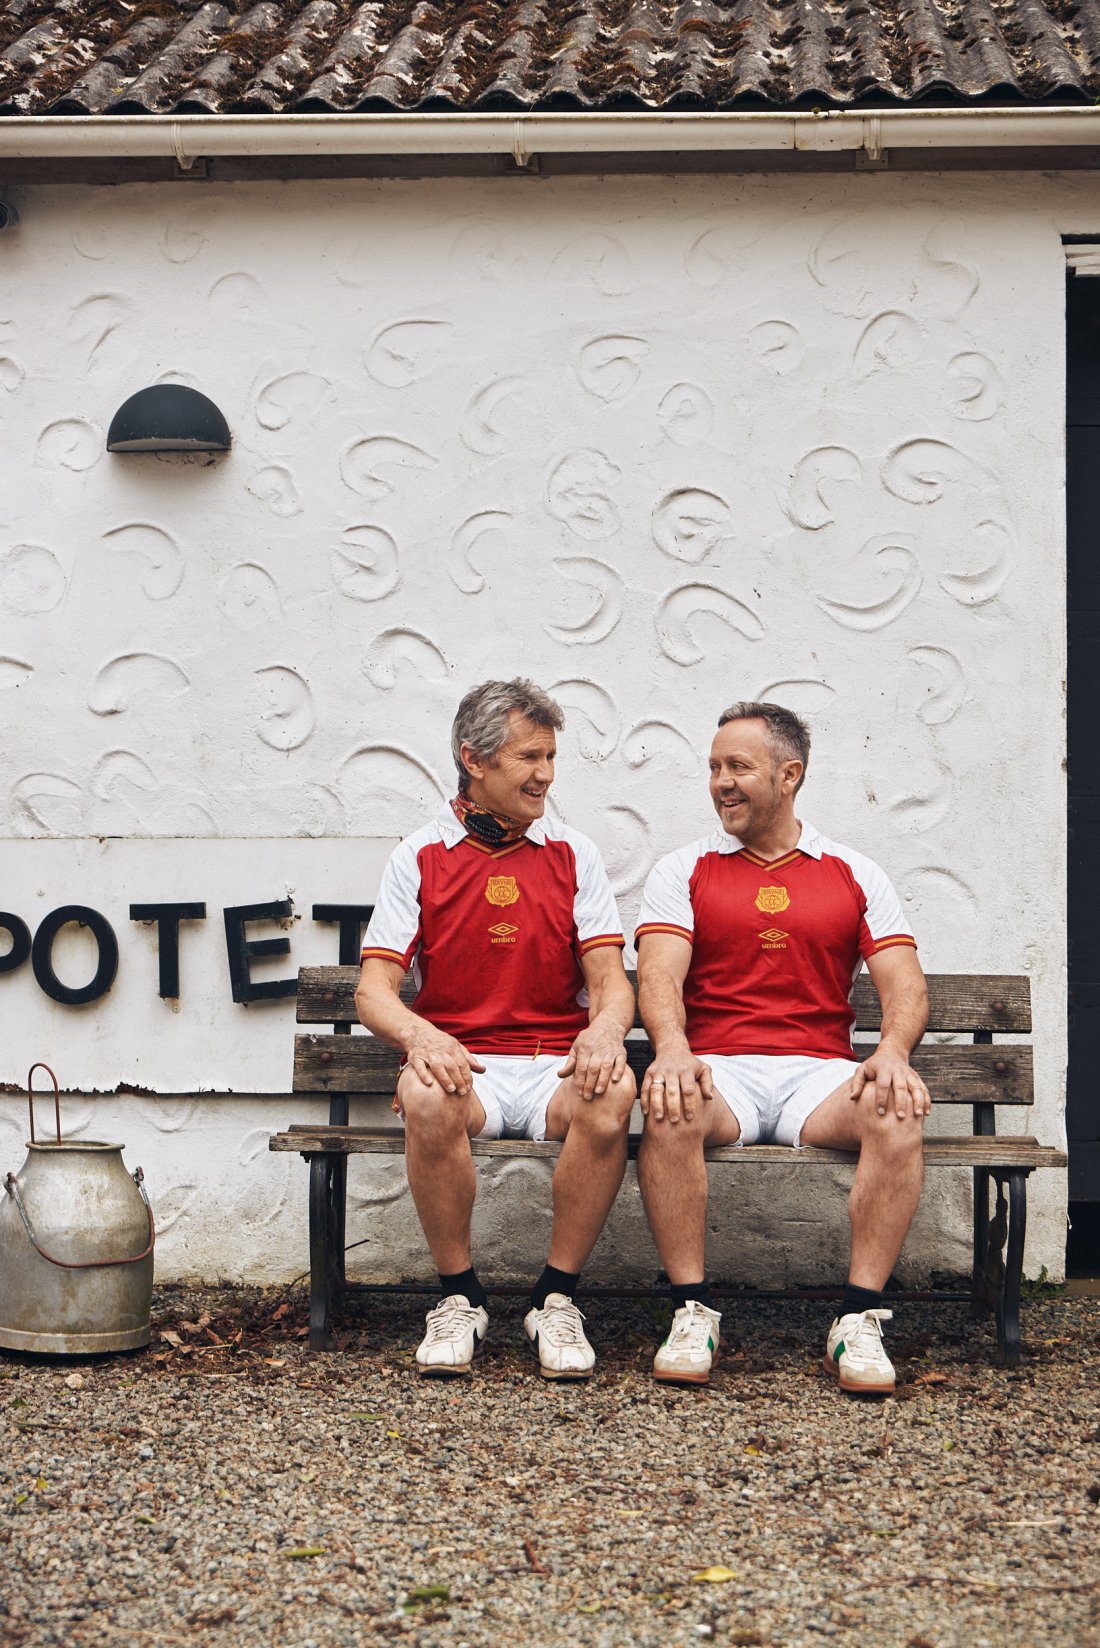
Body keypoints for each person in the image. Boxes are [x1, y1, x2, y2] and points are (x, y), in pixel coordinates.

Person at [635, 701, 929, 1394]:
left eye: (738, 767)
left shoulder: (853, 872)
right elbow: (658, 975)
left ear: (789, 775)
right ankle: (691, 1313)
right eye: (714, 768)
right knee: (671, 1104)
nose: (721, 782)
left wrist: (891, 1052)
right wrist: (671, 1049)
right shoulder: (684, 869)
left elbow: (906, 986)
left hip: (819, 1077)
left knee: (897, 1110)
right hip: (719, 1071)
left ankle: (857, 1321)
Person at [354, 679, 636, 1380]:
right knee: (424, 1095)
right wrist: (421, 1038)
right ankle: (460, 1299)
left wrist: (606, 1032)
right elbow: (373, 992)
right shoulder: (419, 855)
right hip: (464, 1066)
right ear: (474, 759)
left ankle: (555, 1299)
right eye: (528, 757)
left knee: (613, 1091)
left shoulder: (574, 853)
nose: (545, 774)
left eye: (550, 757)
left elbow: (610, 983)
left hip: (553, 1066)